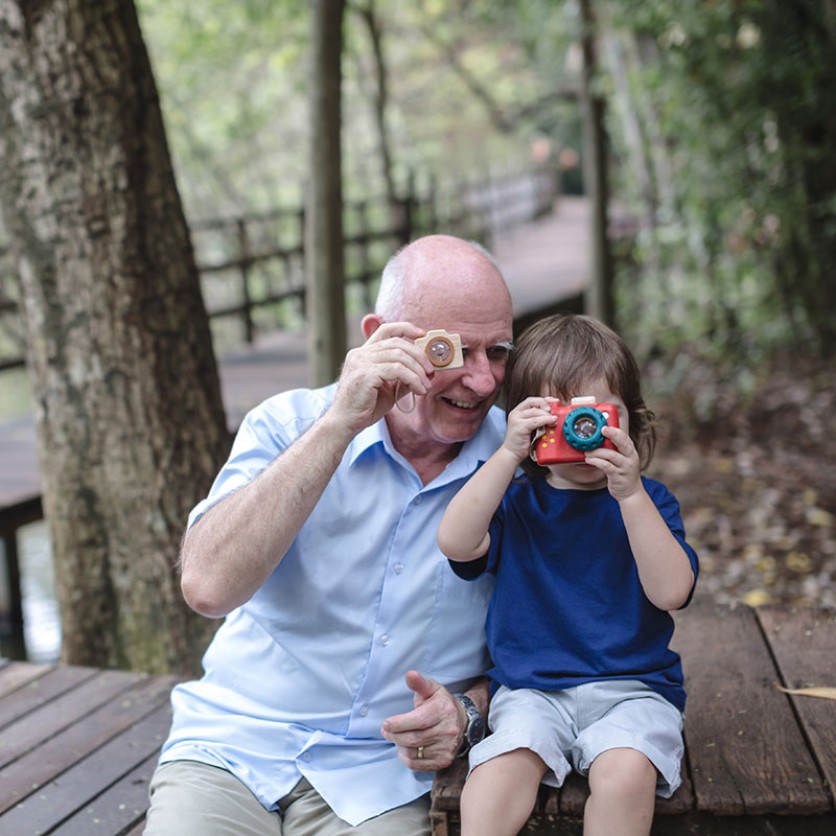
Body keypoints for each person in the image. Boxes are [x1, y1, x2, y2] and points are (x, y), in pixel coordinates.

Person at [144, 234, 516, 836]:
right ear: (381, 337)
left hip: (390, 769)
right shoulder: (287, 423)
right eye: (453, 351)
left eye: (497, 352)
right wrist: (340, 424)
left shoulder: (519, 462)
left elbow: (572, 634)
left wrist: (471, 710)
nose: (480, 381)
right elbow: (207, 586)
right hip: (237, 745)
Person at [437, 313, 699, 836]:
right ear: (528, 423)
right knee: (495, 773)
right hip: (531, 691)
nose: (586, 433)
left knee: (626, 776)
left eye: (601, 415)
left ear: (631, 420)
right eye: (560, 419)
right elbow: (455, 541)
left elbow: (672, 591)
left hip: (635, 689)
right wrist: (508, 454)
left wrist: (629, 495)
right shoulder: (516, 502)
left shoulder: (650, 504)